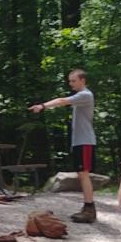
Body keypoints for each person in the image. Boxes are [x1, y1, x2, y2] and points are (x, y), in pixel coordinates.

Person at [29, 69, 97, 223]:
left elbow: (61, 101)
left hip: (85, 141)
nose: (70, 83)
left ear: (82, 80)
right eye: (69, 81)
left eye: (73, 81)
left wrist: (42, 106)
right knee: (82, 174)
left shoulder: (85, 95)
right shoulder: (81, 97)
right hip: (80, 142)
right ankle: (87, 207)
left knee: (84, 175)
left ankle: (89, 209)